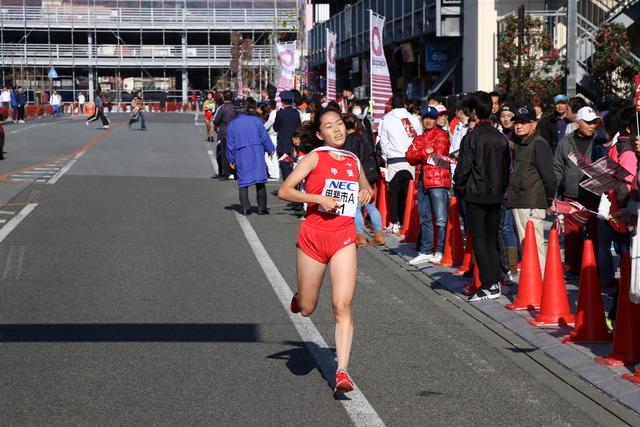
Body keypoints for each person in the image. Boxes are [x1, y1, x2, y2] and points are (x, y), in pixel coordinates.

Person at [277, 105, 374, 394]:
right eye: (329, 126)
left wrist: (366, 191)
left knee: (342, 305)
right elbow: (285, 191)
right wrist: (317, 198)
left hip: (344, 236)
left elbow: (364, 185)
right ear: (319, 134)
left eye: (339, 124)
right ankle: (300, 296)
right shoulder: (313, 157)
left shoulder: (353, 159)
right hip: (313, 236)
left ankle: (341, 371)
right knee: (307, 308)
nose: (337, 129)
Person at [454, 91, 511, 301]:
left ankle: (489, 284)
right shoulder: (500, 137)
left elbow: (463, 168)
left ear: (474, 112)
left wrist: (459, 186)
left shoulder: (471, 137)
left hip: (475, 194)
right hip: (496, 194)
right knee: (491, 237)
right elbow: (507, 168)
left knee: (478, 238)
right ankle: (495, 280)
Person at [506, 105, 557, 274]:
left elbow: (550, 178)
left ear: (533, 124)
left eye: (523, 122)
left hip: (533, 202)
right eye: (516, 122)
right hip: (519, 200)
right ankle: (532, 283)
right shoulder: (520, 143)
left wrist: (548, 200)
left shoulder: (539, 144)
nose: (518, 126)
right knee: (525, 245)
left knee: (535, 245)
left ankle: (541, 283)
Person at [553, 106, 604, 276]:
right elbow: (558, 168)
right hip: (571, 195)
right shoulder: (565, 142)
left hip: (594, 196)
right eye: (588, 122)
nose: (592, 126)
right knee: (572, 234)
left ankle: (593, 266)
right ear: (578, 122)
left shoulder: (599, 140)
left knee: (595, 232)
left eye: (594, 123)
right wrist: (553, 194)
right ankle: (572, 267)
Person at [406, 106, 451, 265]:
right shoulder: (419, 137)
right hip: (422, 180)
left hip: (438, 180)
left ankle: (440, 250)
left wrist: (421, 152)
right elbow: (409, 156)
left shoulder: (442, 135)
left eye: (431, 118)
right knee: (424, 218)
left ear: (436, 119)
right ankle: (425, 250)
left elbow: (437, 153)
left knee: (440, 219)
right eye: (425, 117)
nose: (428, 120)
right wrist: (426, 151)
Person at [378, 93, 422, 233]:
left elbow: (383, 141)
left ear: (391, 105)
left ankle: (394, 222)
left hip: (394, 160)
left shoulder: (386, 119)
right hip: (411, 160)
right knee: (409, 192)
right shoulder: (413, 119)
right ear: (406, 104)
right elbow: (418, 139)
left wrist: (385, 157)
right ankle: (408, 219)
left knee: (394, 193)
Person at [226, 97, 274, 216]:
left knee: (243, 181)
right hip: (257, 151)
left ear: (235, 110)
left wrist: (231, 159)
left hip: (241, 153)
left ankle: (246, 208)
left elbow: (230, 144)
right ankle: (262, 209)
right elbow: (264, 136)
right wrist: (270, 149)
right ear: (247, 108)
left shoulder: (232, 124)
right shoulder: (256, 120)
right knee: (260, 180)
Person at [342, 113, 385, 247]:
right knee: (371, 206)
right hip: (371, 172)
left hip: (359, 175)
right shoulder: (364, 135)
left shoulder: (349, 140)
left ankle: (360, 237)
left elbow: (350, 160)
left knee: (356, 207)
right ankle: (379, 235)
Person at [273, 90, 301, 181]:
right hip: (294, 145)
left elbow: (275, 128)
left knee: (285, 168)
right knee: (295, 168)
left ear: (282, 101)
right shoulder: (296, 113)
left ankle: (288, 188)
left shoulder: (280, 113)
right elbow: (299, 126)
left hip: (283, 145)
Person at [213, 90, 237, 180]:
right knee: (235, 152)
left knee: (224, 153)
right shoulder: (236, 107)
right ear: (232, 97)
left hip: (224, 133)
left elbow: (215, 120)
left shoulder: (222, 108)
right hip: (235, 132)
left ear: (223, 97)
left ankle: (226, 174)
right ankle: (235, 172)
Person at [262, 100, 280, 180]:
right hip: (274, 136)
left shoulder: (273, 113)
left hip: (272, 136)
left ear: (270, 106)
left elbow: (269, 123)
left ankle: (273, 174)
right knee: (273, 156)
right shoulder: (275, 112)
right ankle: (276, 174)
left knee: (268, 156)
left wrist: (261, 128)